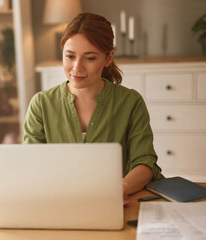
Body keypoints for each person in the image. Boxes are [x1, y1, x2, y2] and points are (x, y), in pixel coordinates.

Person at [23, 12, 163, 198]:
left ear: (108, 58)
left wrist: (120, 188)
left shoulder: (130, 102)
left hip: (117, 201)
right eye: (70, 56)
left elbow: (145, 162)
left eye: (89, 58)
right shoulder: (41, 104)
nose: (77, 68)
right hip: (58, 200)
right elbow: (31, 164)